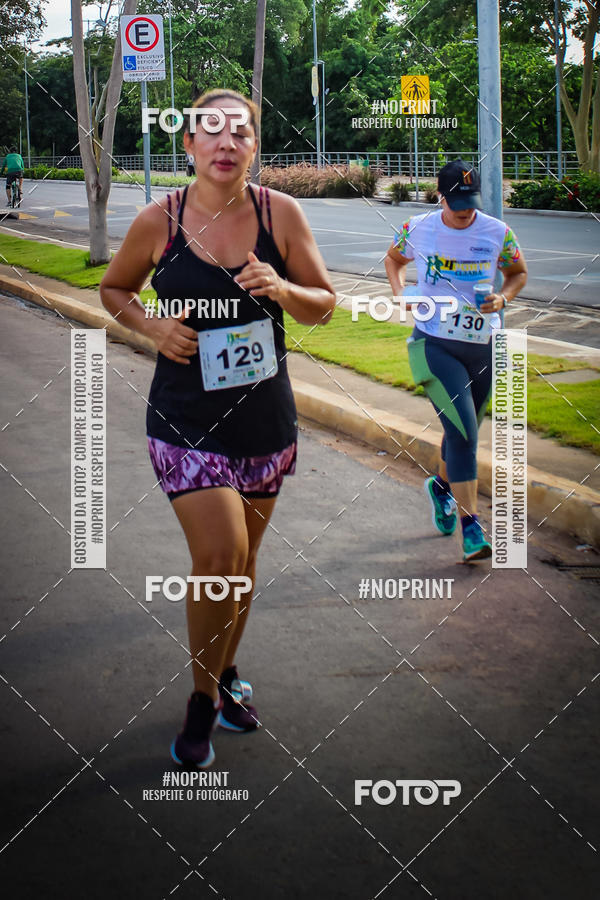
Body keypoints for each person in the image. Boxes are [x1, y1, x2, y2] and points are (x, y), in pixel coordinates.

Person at [100, 88, 335, 767]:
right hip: (184, 418)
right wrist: (149, 326)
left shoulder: (280, 214)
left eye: (241, 133)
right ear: (190, 147)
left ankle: (225, 671)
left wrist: (284, 289)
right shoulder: (159, 221)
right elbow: (114, 289)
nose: (226, 144)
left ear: (255, 146)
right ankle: (203, 700)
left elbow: (323, 305)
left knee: (244, 564)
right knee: (220, 556)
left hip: (265, 418)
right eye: (212, 132)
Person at [385, 159, 527, 562]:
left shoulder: (498, 231)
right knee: (464, 431)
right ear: (440, 196)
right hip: (434, 345)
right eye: (457, 202)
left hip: (484, 345)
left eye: (471, 202)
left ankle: (442, 488)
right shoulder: (419, 228)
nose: (466, 210)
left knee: (462, 428)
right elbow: (393, 261)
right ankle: (472, 529)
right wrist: (401, 295)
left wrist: (503, 298)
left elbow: (517, 273)